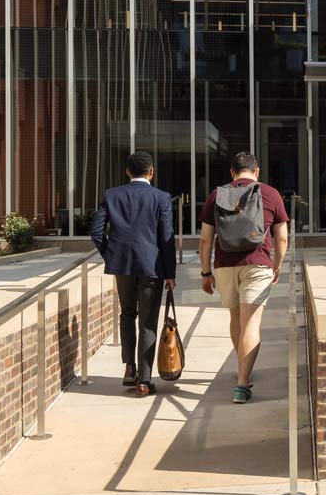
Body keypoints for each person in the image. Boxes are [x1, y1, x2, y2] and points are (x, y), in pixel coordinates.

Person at [199, 152, 289, 404]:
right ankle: (241, 383)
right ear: (257, 172)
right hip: (258, 265)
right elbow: (282, 238)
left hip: (225, 266)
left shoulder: (217, 195)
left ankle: (243, 372)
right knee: (251, 324)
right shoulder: (270, 193)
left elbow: (206, 239)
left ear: (232, 172)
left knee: (236, 320)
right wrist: (277, 266)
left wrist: (206, 272)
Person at [90, 151, 177, 396]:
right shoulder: (161, 198)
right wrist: (170, 272)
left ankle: (129, 368)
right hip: (152, 266)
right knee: (148, 321)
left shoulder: (112, 195)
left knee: (127, 313)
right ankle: (144, 379)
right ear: (152, 172)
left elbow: (96, 231)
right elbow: (167, 238)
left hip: (123, 266)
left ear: (127, 171)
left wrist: (111, 255)